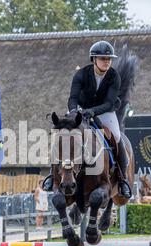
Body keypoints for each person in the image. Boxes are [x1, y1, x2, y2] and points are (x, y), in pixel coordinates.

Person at [43, 40, 132, 199]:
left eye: (109, 59)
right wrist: (74, 111)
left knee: (118, 137)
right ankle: (52, 175)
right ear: (94, 60)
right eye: (103, 59)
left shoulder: (114, 77)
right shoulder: (81, 74)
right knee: (62, 136)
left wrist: (92, 112)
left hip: (105, 111)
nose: (107, 62)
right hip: (80, 110)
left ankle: (122, 178)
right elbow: (72, 98)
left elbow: (109, 102)